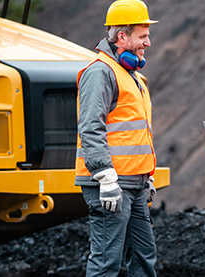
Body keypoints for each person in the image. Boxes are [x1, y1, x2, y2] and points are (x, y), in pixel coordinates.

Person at [74, 0, 158, 276]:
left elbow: (135, 132)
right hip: (111, 182)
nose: (148, 42)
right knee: (107, 261)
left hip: (135, 182)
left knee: (144, 257)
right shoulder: (100, 72)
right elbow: (90, 126)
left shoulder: (131, 75)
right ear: (122, 37)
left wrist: (147, 175)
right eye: (143, 36)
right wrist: (105, 176)